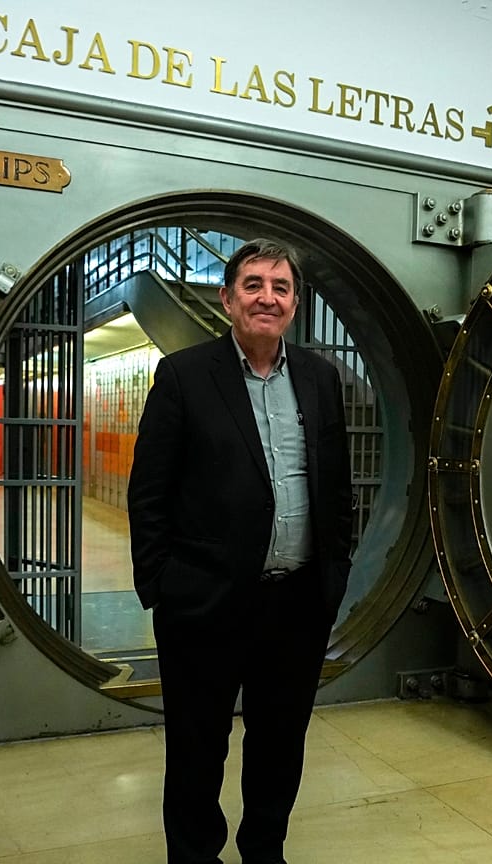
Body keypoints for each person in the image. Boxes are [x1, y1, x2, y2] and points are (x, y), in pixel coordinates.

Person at [128, 237, 353, 864]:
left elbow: (337, 487)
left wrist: (334, 576)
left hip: (297, 602)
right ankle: (195, 855)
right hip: (204, 601)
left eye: (280, 288)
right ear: (228, 298)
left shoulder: (319, 377)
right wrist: (163, 587)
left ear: (295, 304)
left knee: (281, 741)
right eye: (253, 284)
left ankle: (264, 850)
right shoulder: (184, 375)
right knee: (198, 746)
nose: (267, 298)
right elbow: (149, 492)